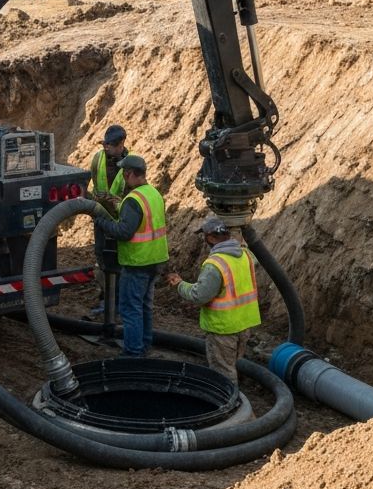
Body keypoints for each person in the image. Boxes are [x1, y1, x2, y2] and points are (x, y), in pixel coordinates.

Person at [166, 215, 261, 383]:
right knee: (233, 364)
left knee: (223, 374)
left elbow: (199, 295)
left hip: (223, 329)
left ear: (209, 237)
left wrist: (180, 284)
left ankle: (229, 406)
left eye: (205, 236)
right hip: (244, 324)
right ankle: (237, 398)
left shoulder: (215, 264)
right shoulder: (246, 255)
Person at [94, 155, 168, 358]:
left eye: (125, 174)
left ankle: (133, 352)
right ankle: (143, 346)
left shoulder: (133, 200)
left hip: (137, 262)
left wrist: (102, 221)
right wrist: (120, 207)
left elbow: (124, 231)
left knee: (130, 308)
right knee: (144, 306)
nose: (124, 177)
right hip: (155, 260)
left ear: (129, 174)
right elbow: (144, 220)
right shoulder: (153, 194)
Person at [87, 125, 137, 316]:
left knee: (119, 261)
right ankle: (106, 298)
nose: (107, 148)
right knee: (101, 256)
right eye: (106, 144)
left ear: (122, 144)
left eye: (112, 145)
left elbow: (134, 196)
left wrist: (117, 203)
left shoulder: (131, 165)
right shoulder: (98, 158)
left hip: (120, 222)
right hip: (101, 218)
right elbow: (93, 179)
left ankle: (119, 301)